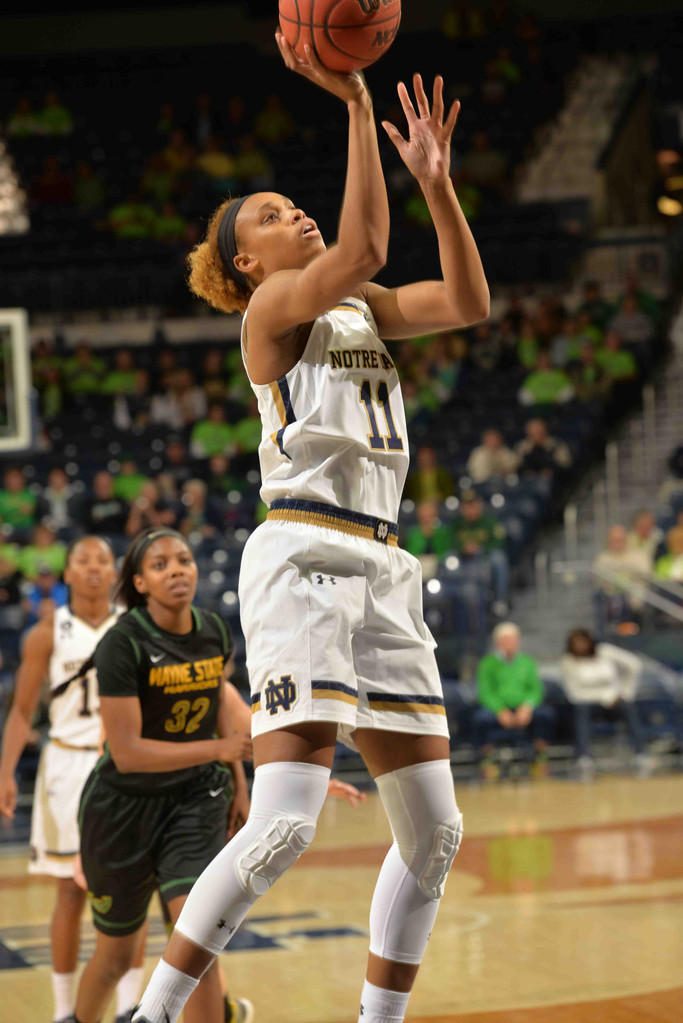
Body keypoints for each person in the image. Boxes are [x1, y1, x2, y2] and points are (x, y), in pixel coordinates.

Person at [132, 37, 488, 1023]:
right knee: (285, 822)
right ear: (248, 261)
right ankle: (152, 1014)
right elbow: (366, 248)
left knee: (435, 834)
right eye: (273, 217)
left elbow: (465, 300)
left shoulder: (359, 309)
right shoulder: (272, 312)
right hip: (301, 554)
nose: (295, 213)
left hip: (380, 563)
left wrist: (437, 185)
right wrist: (354, 99)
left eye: (296, 206)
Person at [71, 528, 254, 1023]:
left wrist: (238, 782)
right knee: (113, 958)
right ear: (141, 583)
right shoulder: (122, 644)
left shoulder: (214, 629)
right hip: (123, 808)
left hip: (195, 800)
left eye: (184, 560)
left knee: (196, 942)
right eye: (160, 565)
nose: (177, 570)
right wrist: (221, 749)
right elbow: (127, 753)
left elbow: (218, 707)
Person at [0, 537, 144, 1023]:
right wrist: (5, 772)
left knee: (129, 886)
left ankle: (129, 1005)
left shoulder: (135, 624)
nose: (94, 568)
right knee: (69, 891)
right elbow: (22, 711)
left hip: (123, 764)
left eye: (103, 560)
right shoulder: (46, 632)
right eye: (83, 561)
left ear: (116, 570)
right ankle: (64, 1010)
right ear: (67, 574)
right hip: (65, 765)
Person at [560, 628, 647, 779]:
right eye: (576, 643)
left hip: (613, 702)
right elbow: (573, 693)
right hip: (587, 704)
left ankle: (641, 754)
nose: (580, 646)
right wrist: (603, 697)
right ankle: (585, 758)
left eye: (583, 641)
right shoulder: (568, 662)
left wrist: (625, 693)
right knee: (581, 712)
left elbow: (635, 665)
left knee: (628, 708)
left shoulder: (606, 652)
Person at [474, 622, 553, 778]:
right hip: (497, 709)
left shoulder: (527, 662)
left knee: (546, 715)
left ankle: (539, 757)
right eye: (506, 640)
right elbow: (485, 692)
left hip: (524, 708)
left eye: (513, 640)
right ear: (498, 643)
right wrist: (500, 710)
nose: (510, 644)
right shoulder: (487, 664)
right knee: (481, 719)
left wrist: (527, 706)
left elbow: (536, 689)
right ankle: (486, 760)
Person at [450, 490, 509, 615]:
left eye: (472, 505)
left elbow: (499, 541)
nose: (469, 509)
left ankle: (500, 599)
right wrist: (462, 547)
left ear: (479, 505)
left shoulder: (489, 521)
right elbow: (450, 542)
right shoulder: (457, 524)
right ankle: (452, 599)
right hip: (462, 558)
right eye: (466, 506)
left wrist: (481, 547)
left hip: (484, 557)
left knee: (499, 558)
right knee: (449, 559)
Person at [593, 524, 651, 633]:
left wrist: (620, 574)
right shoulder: (602, 558)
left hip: (636, 595)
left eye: (620, 539)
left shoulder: (638, 555)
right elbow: (600, 578)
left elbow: (645, 573)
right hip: (610, 595)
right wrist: (626, 574)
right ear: (609, 541)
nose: (618, 543)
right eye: (614, 540)